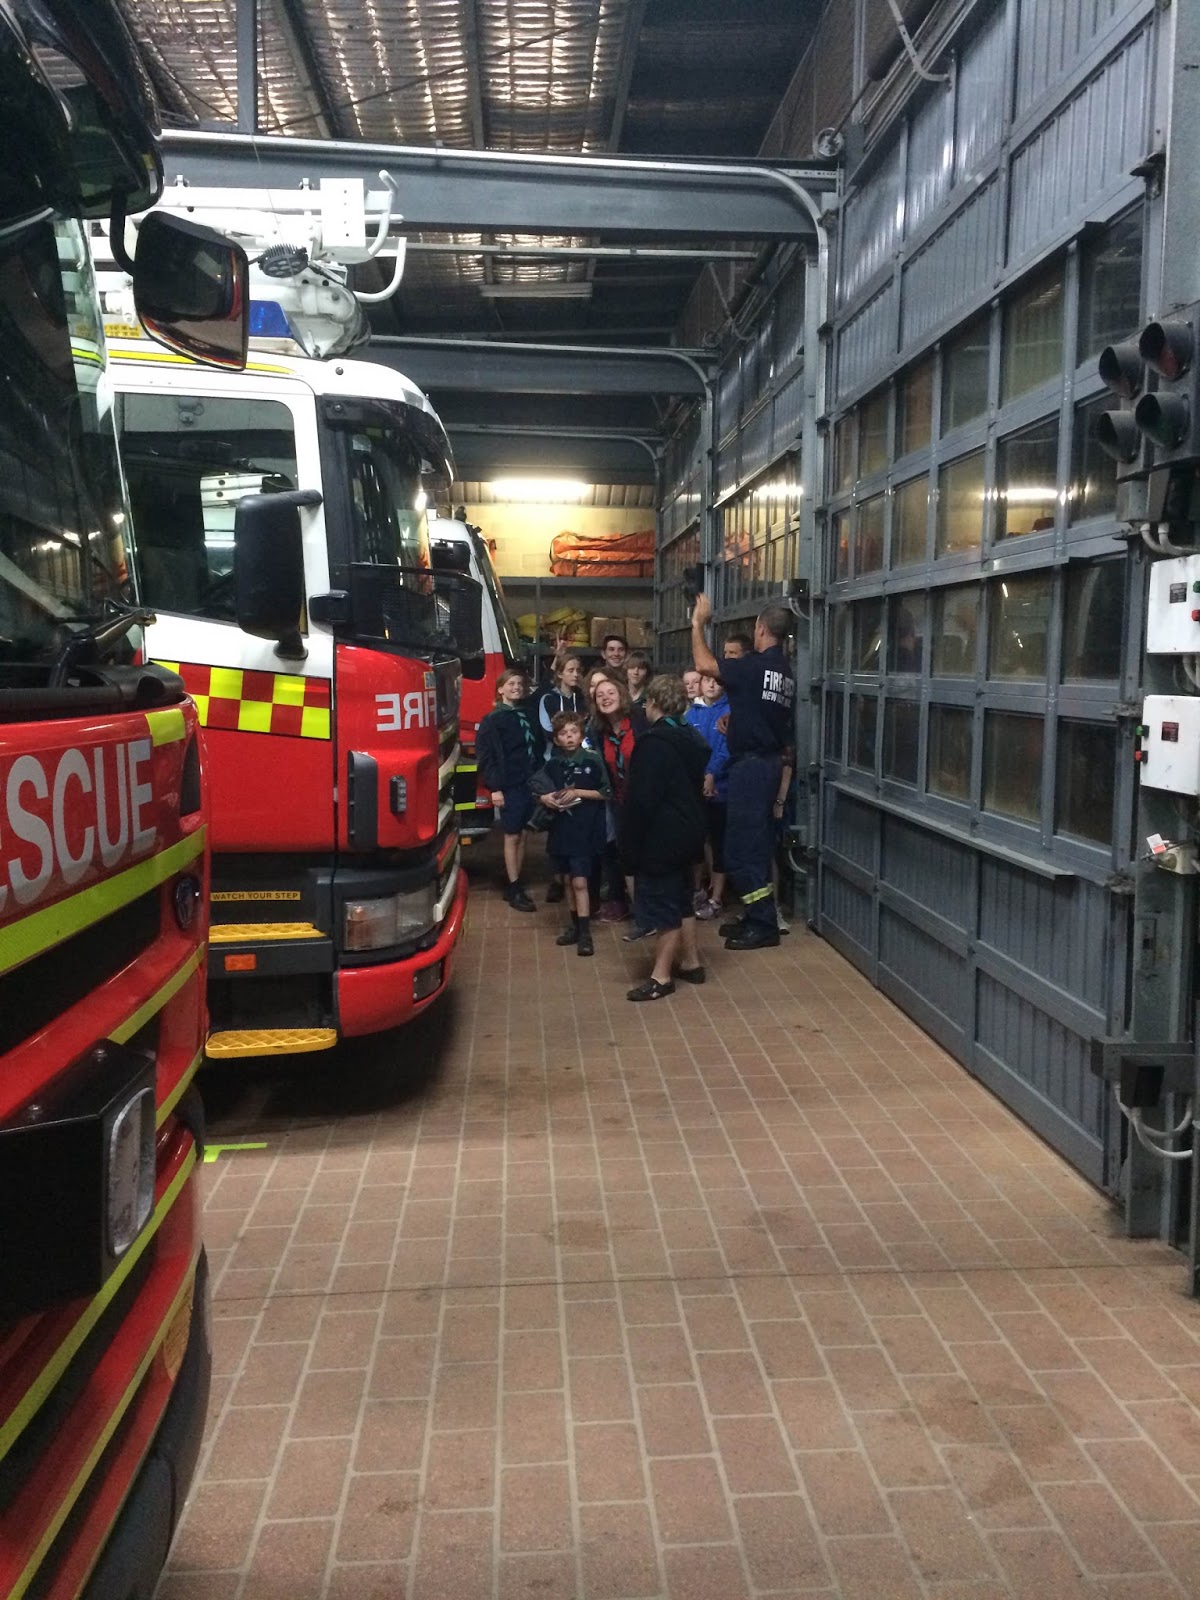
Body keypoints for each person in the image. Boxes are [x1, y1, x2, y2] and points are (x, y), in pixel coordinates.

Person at [691, 595, 794, 950]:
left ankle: (763, 923)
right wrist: (738, 720)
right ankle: (753, 915)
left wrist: (698, 623)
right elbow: (765, 711)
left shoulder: (751, 666)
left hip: (751, 768)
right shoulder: (784, 671)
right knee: (753, 844)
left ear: (761, 629)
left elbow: (704, 664)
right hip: (766, 764)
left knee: (742, 848)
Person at [619, 675, 710, 1001]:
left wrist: (629, 846)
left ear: (653, 704)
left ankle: (661, 977)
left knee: (664, 906)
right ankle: (691, 961)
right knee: (683, 898)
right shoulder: (692, 739)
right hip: (689, 832)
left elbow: (642, 801)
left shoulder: (653, 745)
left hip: (662, 837)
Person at [531, 712, 608, 957]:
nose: (570, 737)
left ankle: (585, 932)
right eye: (564, 734)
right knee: (565, 879)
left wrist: (579, 793)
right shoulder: (553, 763)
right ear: (556, 739)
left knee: (580, 880)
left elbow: (605, 792)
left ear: (581, 734)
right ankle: (574, 925)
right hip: (561, 828)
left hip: (584, 829)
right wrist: (546, 798)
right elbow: (538, 786)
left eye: (574, 732)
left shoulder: (592, 760)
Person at [476, 667, 541, 912]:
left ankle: (517, 878)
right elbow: (487, 756)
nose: (516, 688)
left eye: (519, 684)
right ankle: (513, 887)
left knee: (523, 832)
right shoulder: (492, 720)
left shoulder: (528, 714)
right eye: (511, 684)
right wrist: (494, 788)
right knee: (511, 834)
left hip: (528, 781)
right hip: (509, 783)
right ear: (500, 689)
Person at [537, 654, 587, 903]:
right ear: (560, 673)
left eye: (578, 670)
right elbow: (548, 731)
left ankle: (578, 874)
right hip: (555, 763)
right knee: (558, 822)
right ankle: (557, 878)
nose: (575, 674)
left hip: (581, 763)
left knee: (578, 819)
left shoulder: (583, 699)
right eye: (570, 669)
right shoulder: (548, 699)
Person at [590, 676, 640, 922]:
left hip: (643, 801)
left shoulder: (639, 723)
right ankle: (633, 908)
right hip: (618, 801)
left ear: (622, 695)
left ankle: (650, 911)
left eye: (611, 692)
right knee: (622, 853)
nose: (606, 698)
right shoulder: (599, 732)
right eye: (600, 695)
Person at [686, 672, 730, 919]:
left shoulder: (730, 710)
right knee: (696, 843)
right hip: (695, 789)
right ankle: (698, 890)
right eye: (707, 680)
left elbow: (726, 748)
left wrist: (712, 774)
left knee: (719, 843)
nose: (712, 683)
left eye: (717, 680)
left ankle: (716, 898)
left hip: (722, 789)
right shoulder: (692, 713)